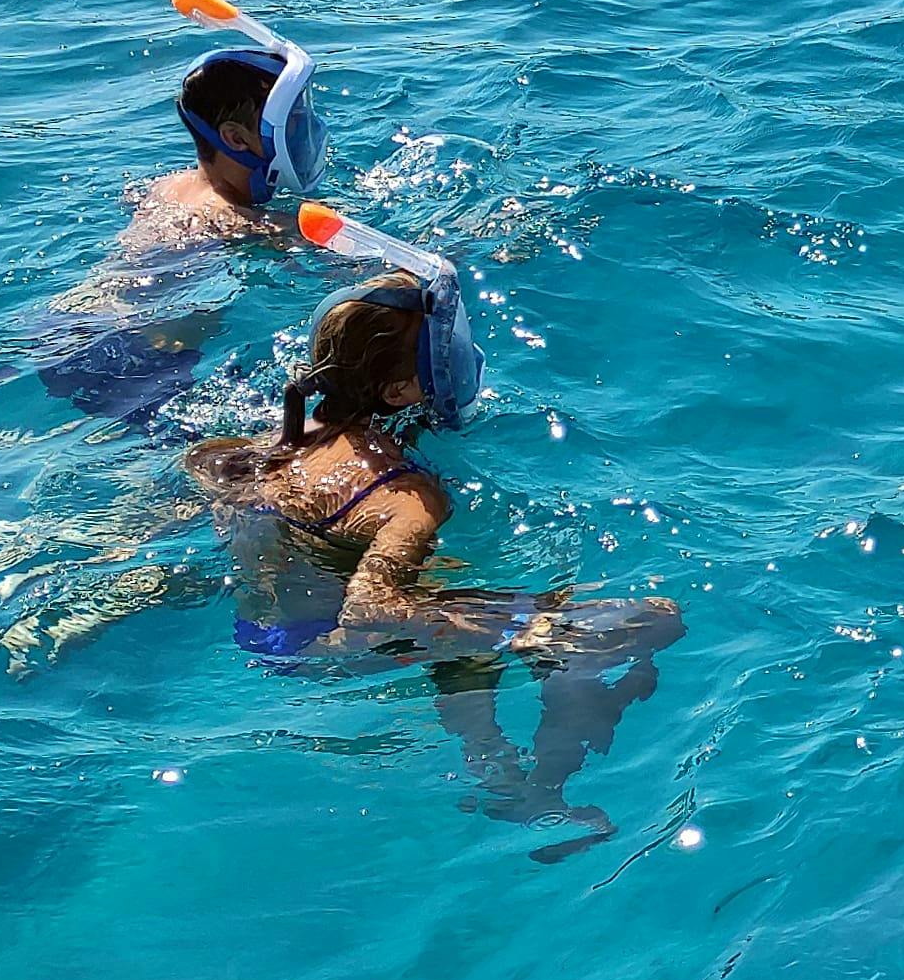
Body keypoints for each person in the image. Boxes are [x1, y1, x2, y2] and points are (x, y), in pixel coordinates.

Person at [184, 239, 678, 856]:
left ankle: (504, 778)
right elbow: (371, 611)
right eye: (441, 356)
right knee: (646, 622)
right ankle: (549, 779)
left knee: (460, 615)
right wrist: (527, 632)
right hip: (329, 645)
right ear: (396, 393)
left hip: (264, 638)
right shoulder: (408, 497)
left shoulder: (268, 443)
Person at [38, 0, 331, 425]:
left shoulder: (168, 187)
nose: (305, 128)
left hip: (64, 321)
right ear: (236, 139)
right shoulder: (233, 219)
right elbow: (344, 257)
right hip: (122, 353)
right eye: (291, 121)